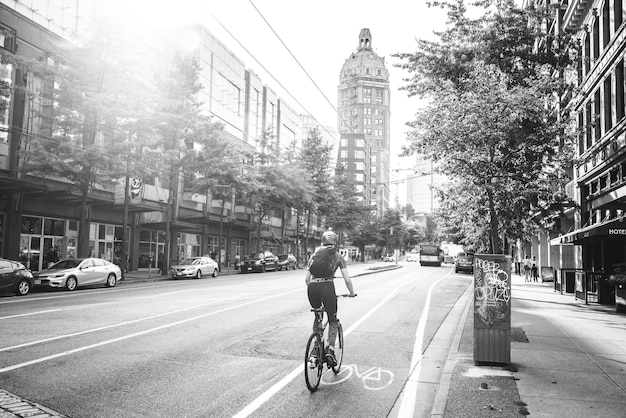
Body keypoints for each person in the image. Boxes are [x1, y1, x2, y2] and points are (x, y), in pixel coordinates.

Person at [305, 230, 356, 367]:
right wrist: (351, 292)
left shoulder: (314, 256)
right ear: (335, 242)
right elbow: (347, 279)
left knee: (318, 318)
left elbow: (306, 279)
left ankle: (315, 352)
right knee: (332, 320)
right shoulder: (338, 256)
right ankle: (330, 350)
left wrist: (314, 285)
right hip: (327, 287)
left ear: (322, 242)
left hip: (312, 288)